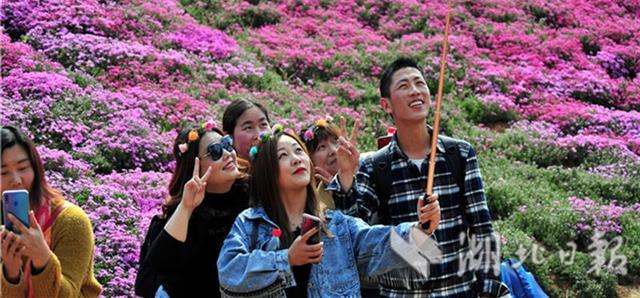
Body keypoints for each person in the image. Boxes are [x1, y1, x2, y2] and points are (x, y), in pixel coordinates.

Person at [327, 57, 507, 297]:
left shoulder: (460, 154)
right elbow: (355, 238)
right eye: (403, 86)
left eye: (420, 83)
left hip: (460, 291)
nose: (415, 91)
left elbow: (482, 229)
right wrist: (347, 176)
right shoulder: (375, 165)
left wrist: (488, 290)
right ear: (386, 105)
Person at [217, 125, 441, 297]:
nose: (296, 159)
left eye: (298, 151)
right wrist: (286, 259)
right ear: (268, 173)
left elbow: (378, 242)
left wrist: (420, 228)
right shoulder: (251, 223)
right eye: (283, 156)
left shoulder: (336, 224)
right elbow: (228, 271)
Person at [144, 122, 250, 297]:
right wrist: (186, 208)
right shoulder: (184, 213)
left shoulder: (255, 192)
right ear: (194, 166)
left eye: (227, 144)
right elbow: (159, 266)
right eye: (215, 151)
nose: (227, 154)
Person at [0, 125, 101, 298]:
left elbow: (69, 294)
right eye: (3, 172)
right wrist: (11, 273)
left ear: (36, 168)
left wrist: (42, 258)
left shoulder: (70, 221)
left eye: (23, 168)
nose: (16, 180)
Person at [299, 117, 360, 209]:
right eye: (322, 147)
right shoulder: (313, 203)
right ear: (310, 160)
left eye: (335, 141)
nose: (333, 151)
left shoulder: (367, 172)